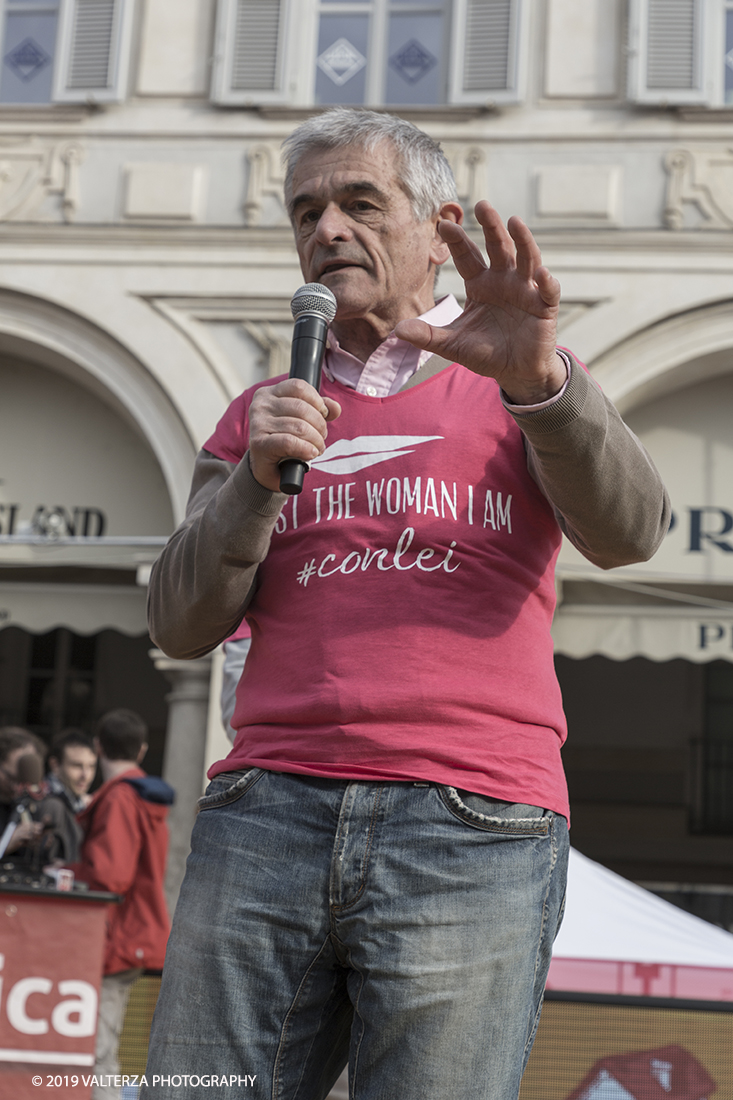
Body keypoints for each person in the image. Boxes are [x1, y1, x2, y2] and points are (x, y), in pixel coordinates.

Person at [143, 108, 670, 1100]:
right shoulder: (258, 412)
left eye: (358, 202)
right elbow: (178, 623)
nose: (327, 229)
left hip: (471, 822)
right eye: (306, 210)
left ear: (440, 230)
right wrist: (256, 477)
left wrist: (542, 384)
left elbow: (630, 530)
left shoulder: (519, 385)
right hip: (267, 811)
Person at [67, 709, 174, 1100]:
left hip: (115, 938)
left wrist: (66, 870)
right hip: (134, 935)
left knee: (96, 1054)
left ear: (98, 746)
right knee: (104, 1050)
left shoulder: (119, 799)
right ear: (142, 750)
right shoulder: (142, 795)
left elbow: (110, 875)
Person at [0, 725, 72, 865]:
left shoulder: (28, 803)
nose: (17, 786)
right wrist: (7, 843)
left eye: (23, 781)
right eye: (10, 778)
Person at [45, 729, 98, 861]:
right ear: (55, 765)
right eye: (77, 766)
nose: (85, 775)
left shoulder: (83, 804)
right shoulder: (46, 803)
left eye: (91, 766)